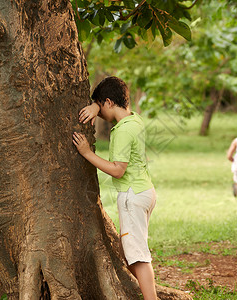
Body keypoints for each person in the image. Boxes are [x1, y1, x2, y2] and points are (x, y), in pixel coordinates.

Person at [72, 76, 157, 300]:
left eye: (100, 108)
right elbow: (111, 100)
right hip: (145, 192)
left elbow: (118, 170)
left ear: (108, 102)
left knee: (137, 256)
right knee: (127, 252)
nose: (99, 115)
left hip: (132, 196)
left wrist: (87, 153)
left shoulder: (121, 131)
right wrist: (94, 104)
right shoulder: (135, 120)